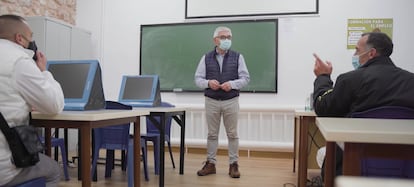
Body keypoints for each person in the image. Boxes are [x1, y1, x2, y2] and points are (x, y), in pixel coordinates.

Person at [312, 32, 414, 177]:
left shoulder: (350, 80)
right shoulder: (411, 81)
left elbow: (323, 108)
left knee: (324, 154)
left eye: (357, 50)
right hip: (405, 165)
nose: (355, 54)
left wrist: (323, 77)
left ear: (371, 53)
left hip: (355, 165)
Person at [0, 14, 65, 186]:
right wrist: (44, 71)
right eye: (31, 37)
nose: (33, 42)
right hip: (4, 168)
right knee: (53, 169)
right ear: (19, 38)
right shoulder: (19, 60)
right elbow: (54, 105)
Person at [194, 26, 250, 178]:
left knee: (232, 134)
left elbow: (245, 78)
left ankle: (233, 164)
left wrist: (232, 84)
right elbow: (198, 79)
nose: (226, 40)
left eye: (229, 38)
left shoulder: (238, 57)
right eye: (223, 37)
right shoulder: (206, 57)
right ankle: (210, 164)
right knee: (212, 134)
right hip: (211, 100)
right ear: (215, 40)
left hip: (230, 100)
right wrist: (207, 83)